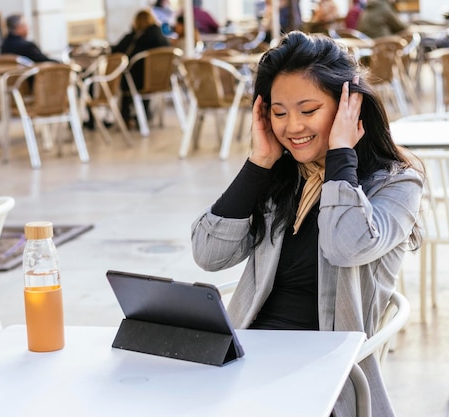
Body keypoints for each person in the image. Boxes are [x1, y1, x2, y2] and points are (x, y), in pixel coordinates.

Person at [190, 31, 423, 417]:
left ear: (349, 106)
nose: (292, 126)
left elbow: (344, 245)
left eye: (308, 110)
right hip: (249, 355)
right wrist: (258, 163)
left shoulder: (395, 184)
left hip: (325, 370)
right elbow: (208, 255)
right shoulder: (281, 176)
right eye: (279, 113)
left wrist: (340, 156)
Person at [111, 9, 170, 127]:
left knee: (126, 77)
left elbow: (116, 50)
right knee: (139, 74)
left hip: (138, 80)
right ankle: (144, 115)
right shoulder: (161, 36)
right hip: (161, 80)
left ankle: (126, 117)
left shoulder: (135, 36)